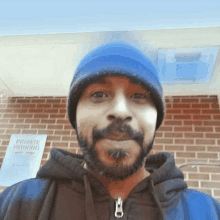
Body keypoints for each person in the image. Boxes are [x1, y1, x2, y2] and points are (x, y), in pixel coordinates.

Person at [0, 41, 220, 220]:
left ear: (157, 119)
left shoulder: (207, 212)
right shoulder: (15, 204)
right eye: (98, 94)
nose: (120, 111)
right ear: (74, 116)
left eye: (139, 96)